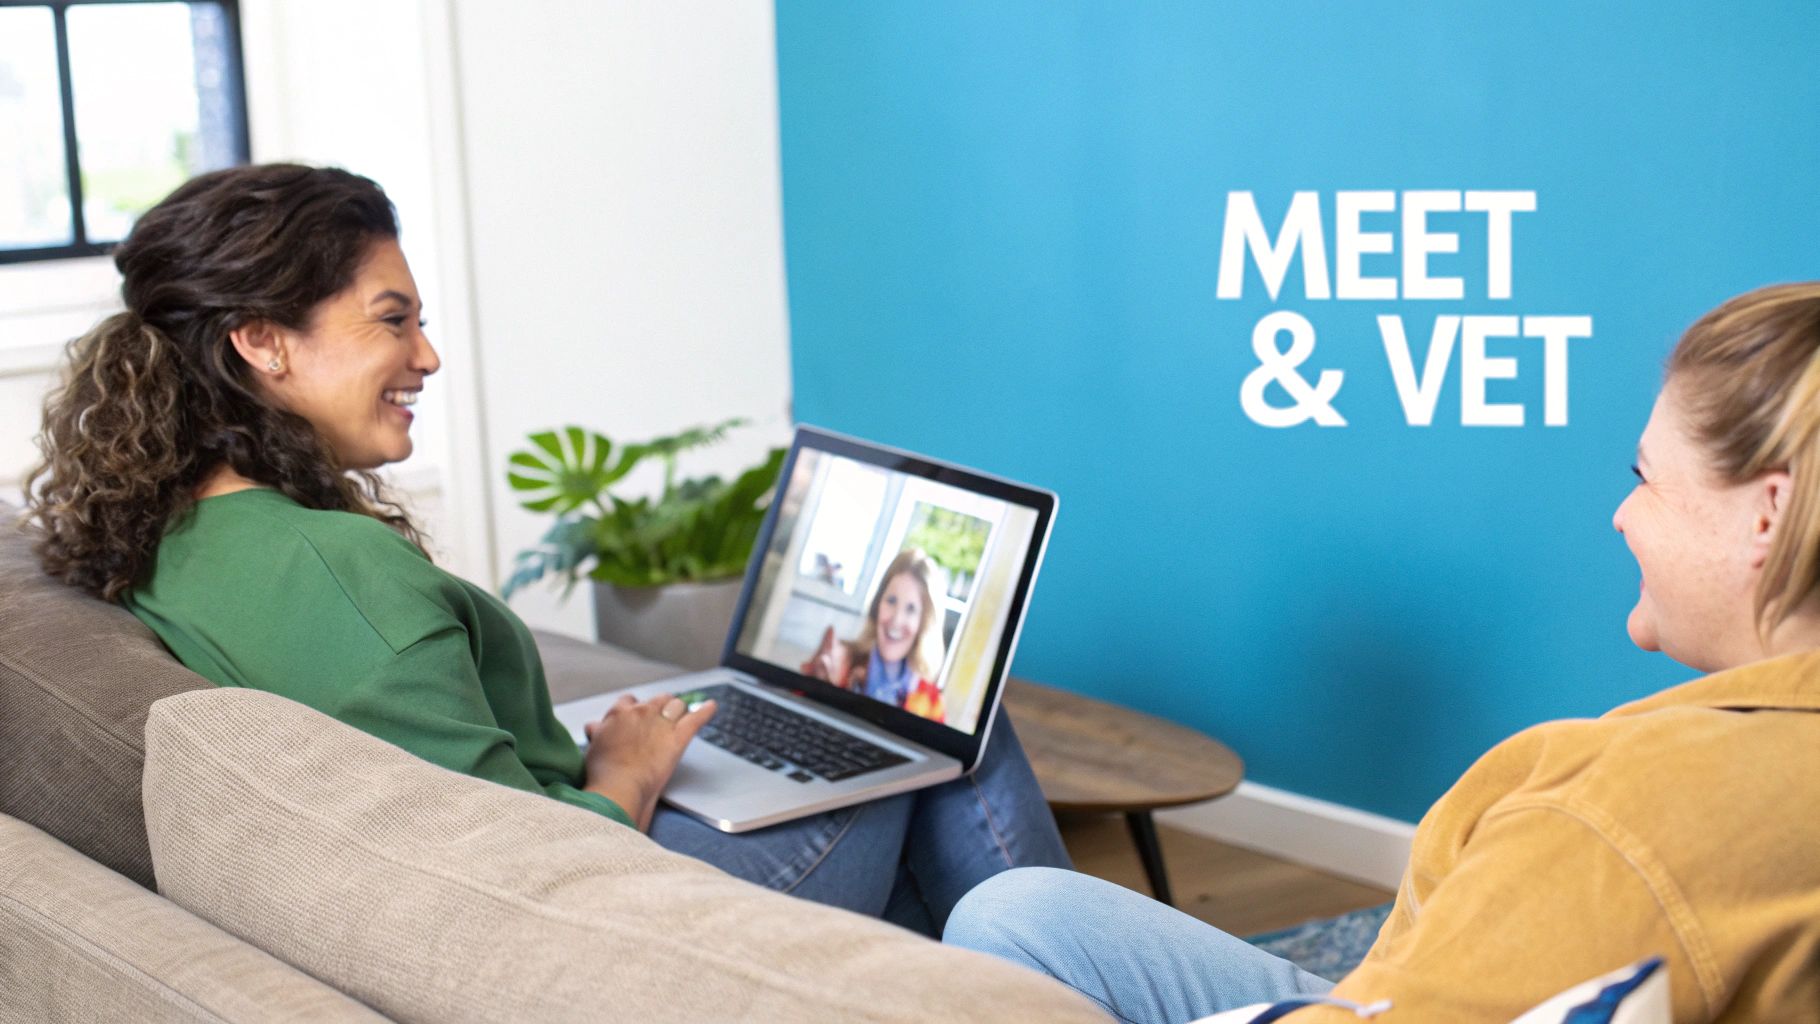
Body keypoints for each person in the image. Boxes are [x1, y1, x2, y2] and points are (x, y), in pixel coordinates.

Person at [23, 163, 1067, 937]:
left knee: (892, 760)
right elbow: (532, 880)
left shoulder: (164, 530)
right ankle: (1100, 989)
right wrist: (624, 774)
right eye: (393, 321)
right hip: (627, 916)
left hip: (508, 863)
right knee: (933, 734)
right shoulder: (344, 577)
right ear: (262, 340)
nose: (426, 356)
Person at [943, 283, 1820, 1022]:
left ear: (1768, 517)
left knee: (999, 921)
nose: (1622, 515)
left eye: (1645, 479)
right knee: (1022, 907)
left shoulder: (1619, 821)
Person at [801, 547, 950, 723]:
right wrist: (816, 688)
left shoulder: (931, 704)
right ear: (877, 605)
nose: (896, 620)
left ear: (924, 623)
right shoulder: (839, 659)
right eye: (891, 601)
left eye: (911, 609)